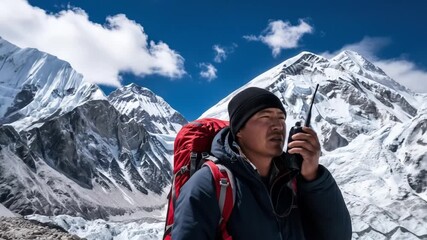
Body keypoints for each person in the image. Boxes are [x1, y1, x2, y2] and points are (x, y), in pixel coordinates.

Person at [171, 87, 352, 239]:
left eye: (281, 118)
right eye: (265, 117)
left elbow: (338, 236)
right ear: (239, 130)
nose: (277, 126)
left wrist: (313, 177)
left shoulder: (294, 180)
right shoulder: (210, 185)